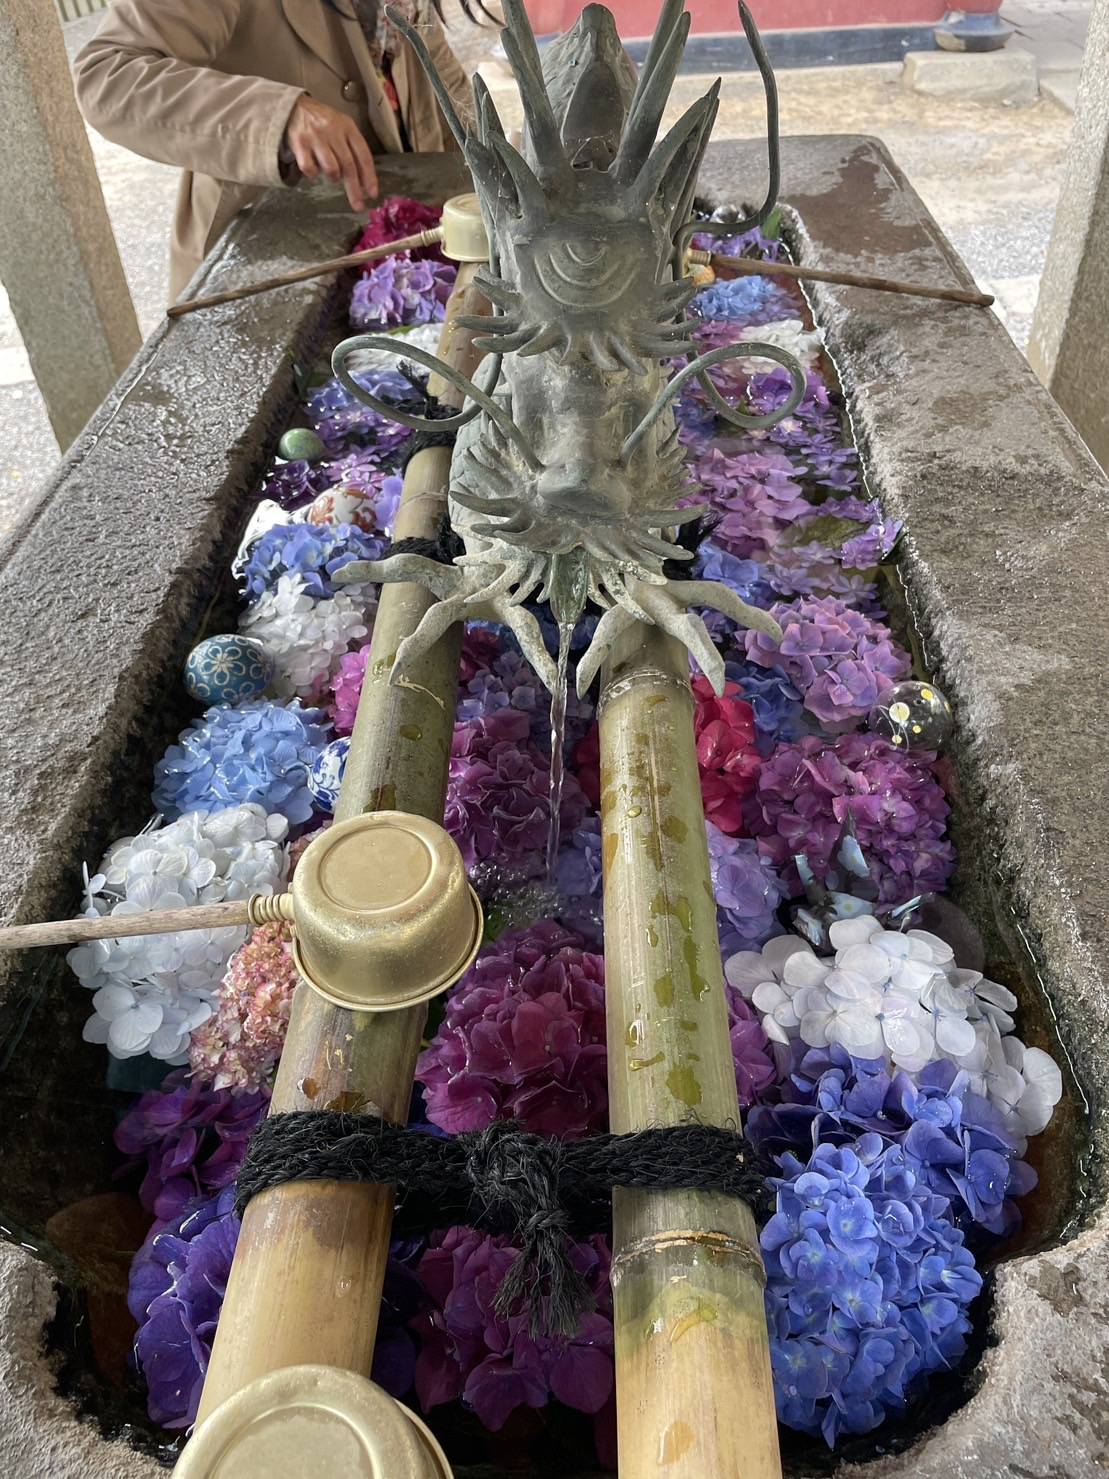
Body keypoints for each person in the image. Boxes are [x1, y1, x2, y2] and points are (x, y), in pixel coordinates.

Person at [73, 0, 478, 299]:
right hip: (266, 262)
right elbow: (108, 76)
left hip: (397, 252)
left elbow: (440, 75)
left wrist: (493, 158)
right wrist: (278, 115)